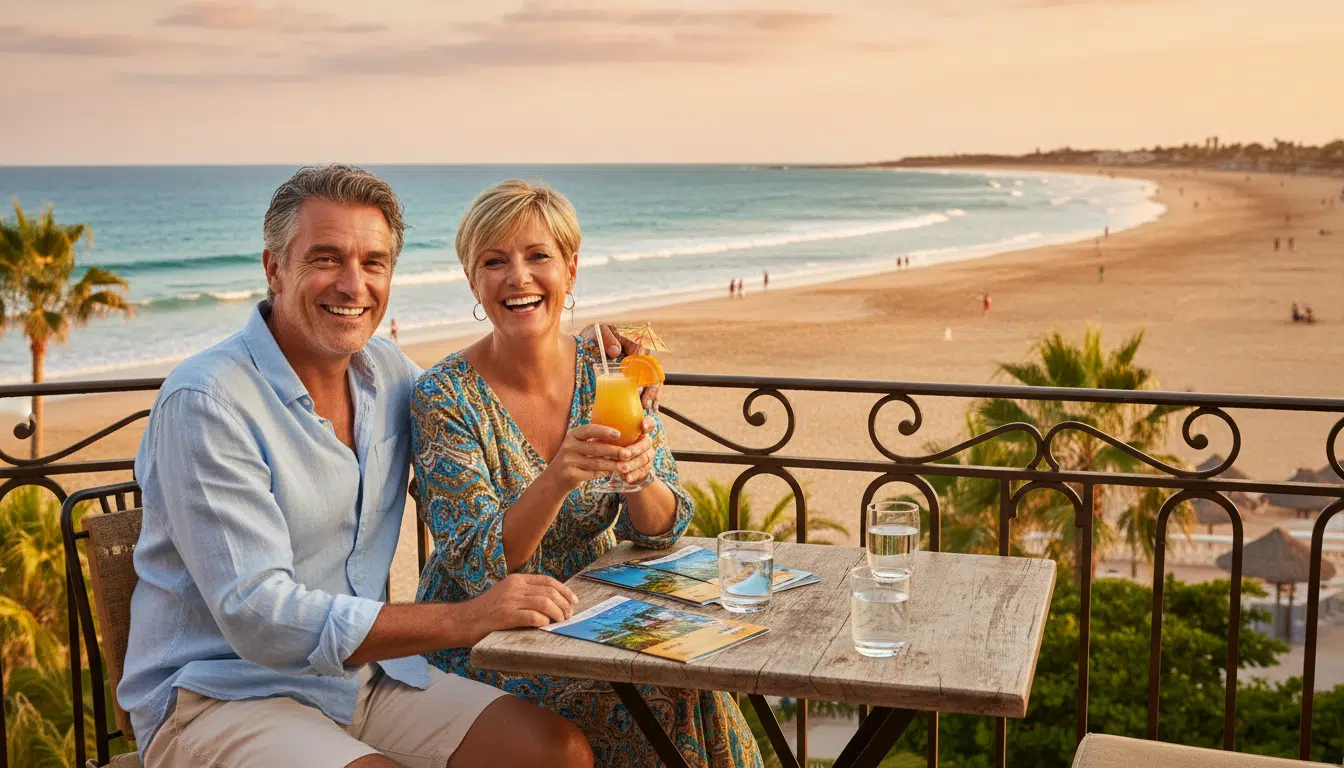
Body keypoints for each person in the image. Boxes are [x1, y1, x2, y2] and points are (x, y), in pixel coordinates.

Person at [120, 165, 643, 768]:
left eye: (373, 263)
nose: (353, 284)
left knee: (558, 754)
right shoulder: (208, 402)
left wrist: (582, 345)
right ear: (274, 269)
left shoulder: (388, 374)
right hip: (223, 696)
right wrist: (467, 617)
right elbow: (258, 616)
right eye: (325, 258)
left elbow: (476, 401)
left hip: (360, 679)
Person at [412, 180, 762, 768]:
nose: (518, 276)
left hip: (598, 616)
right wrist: (558, 476)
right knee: (654, 695)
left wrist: (640, 477)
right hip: (488, 641)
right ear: (473, 282)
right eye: (494, 262)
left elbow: (663, 527)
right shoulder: (444, 396)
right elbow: (476, 565)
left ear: (570, 272)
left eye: (537, 256)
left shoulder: (611, 373)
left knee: (695, 683)